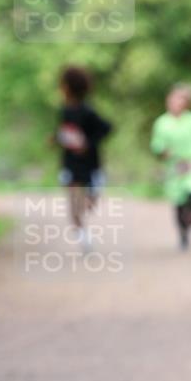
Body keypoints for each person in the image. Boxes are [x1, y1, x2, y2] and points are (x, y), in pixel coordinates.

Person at [53, 65, 112, 247]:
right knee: (73, 199)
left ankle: (81, 227)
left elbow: (106, 128)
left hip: (90, 164)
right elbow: (66, 132)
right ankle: (81, 234)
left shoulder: (88, 111)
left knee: (91, 199)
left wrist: (87, 144)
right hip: (71, 164)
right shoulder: (65, 110)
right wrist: (57, 138)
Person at [150, 83, 191, 250]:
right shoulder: (162, 122)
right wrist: (163, 152)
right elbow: (157, 146)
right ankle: (183, 234)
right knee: (178, 202)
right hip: (175, 167)